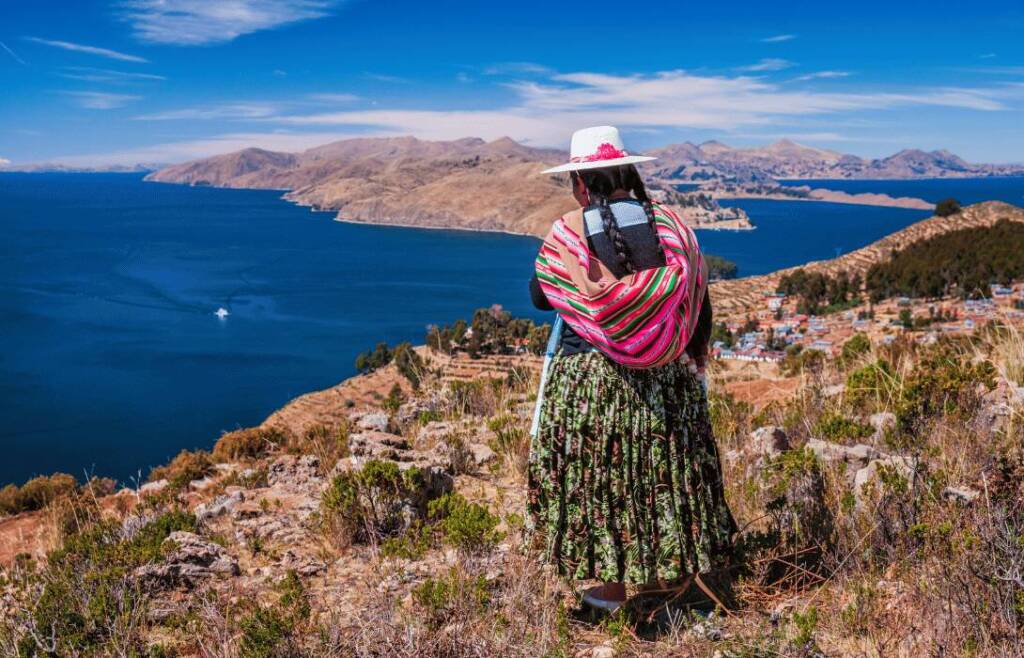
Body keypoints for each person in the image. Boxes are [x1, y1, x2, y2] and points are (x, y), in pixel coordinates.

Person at [526, 126, 736, 611]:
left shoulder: (568, 234)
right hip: (666, 378)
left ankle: (606, 597)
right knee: (665, 475)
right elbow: (697, 300)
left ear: (580, 184)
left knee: (597, 484)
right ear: (629, 172)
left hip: (590, 383)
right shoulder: (673, 227)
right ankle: (681, 585)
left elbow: (539, 295)